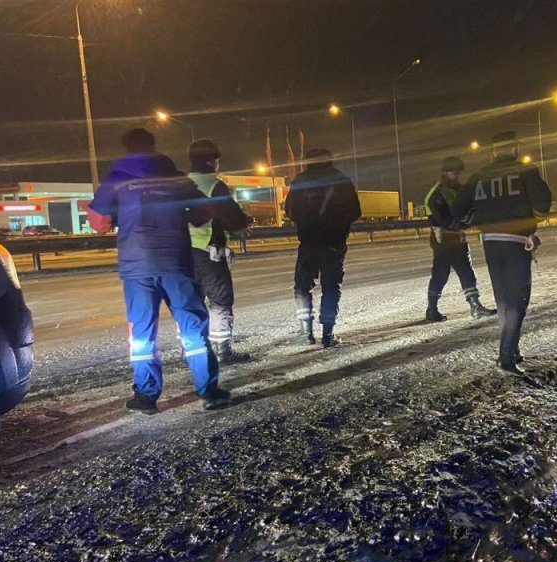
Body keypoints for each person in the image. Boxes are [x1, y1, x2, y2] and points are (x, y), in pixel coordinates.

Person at [87, 128, 248, 414]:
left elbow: (98, 223)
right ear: (153, 146)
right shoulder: (174, 176)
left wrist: (121, 215)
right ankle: (210, 392)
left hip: (136, 267)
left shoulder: (117, 178)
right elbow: (200, 216)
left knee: (141, 333)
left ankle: (146, 397)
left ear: (126, 148)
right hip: (176, 262)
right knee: (193, 327)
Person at [451, 131, 552, 376]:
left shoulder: (479, 177)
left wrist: (481, 220)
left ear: (493, 152)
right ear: (515, 149)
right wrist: (528, 221)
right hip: (517, 240)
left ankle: (512, 348)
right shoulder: (527, 172)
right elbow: (542, 205)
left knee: (504, 299)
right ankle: (506, 357)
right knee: (518, 300)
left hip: (490, 241)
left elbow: (458, 210)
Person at [186, 139, 254, 364]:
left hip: (180, 254)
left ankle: (192, 351)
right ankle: (223, 351)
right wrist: (243, 224)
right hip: (208, 252)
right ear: (211, 160)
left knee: (190, 302)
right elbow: (232, 218)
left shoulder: (179, 184)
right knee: (220, 299)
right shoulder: (213, 185)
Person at [285, 148, 361, 347]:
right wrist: (336, 224)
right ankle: (328, 335)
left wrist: (307, 222)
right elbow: (355, 211)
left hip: (309, 242)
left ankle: (306, 332)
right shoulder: (341, 180)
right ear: (329, 160)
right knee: (331, 288)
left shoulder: (300, 181)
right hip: (334, 244)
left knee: (302, 286)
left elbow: (289, 210)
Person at [423, 156, 497, 322]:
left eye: (457, 172)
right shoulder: (436, 193)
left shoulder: (458, 189)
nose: (456, 175)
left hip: (457, 239)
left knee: (466, 273)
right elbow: (441, 217)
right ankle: (432, 309)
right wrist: (462, 224)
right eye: (452, 172)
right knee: (440, 275)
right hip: (443, 240)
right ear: (445, 172)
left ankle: (475, 305)